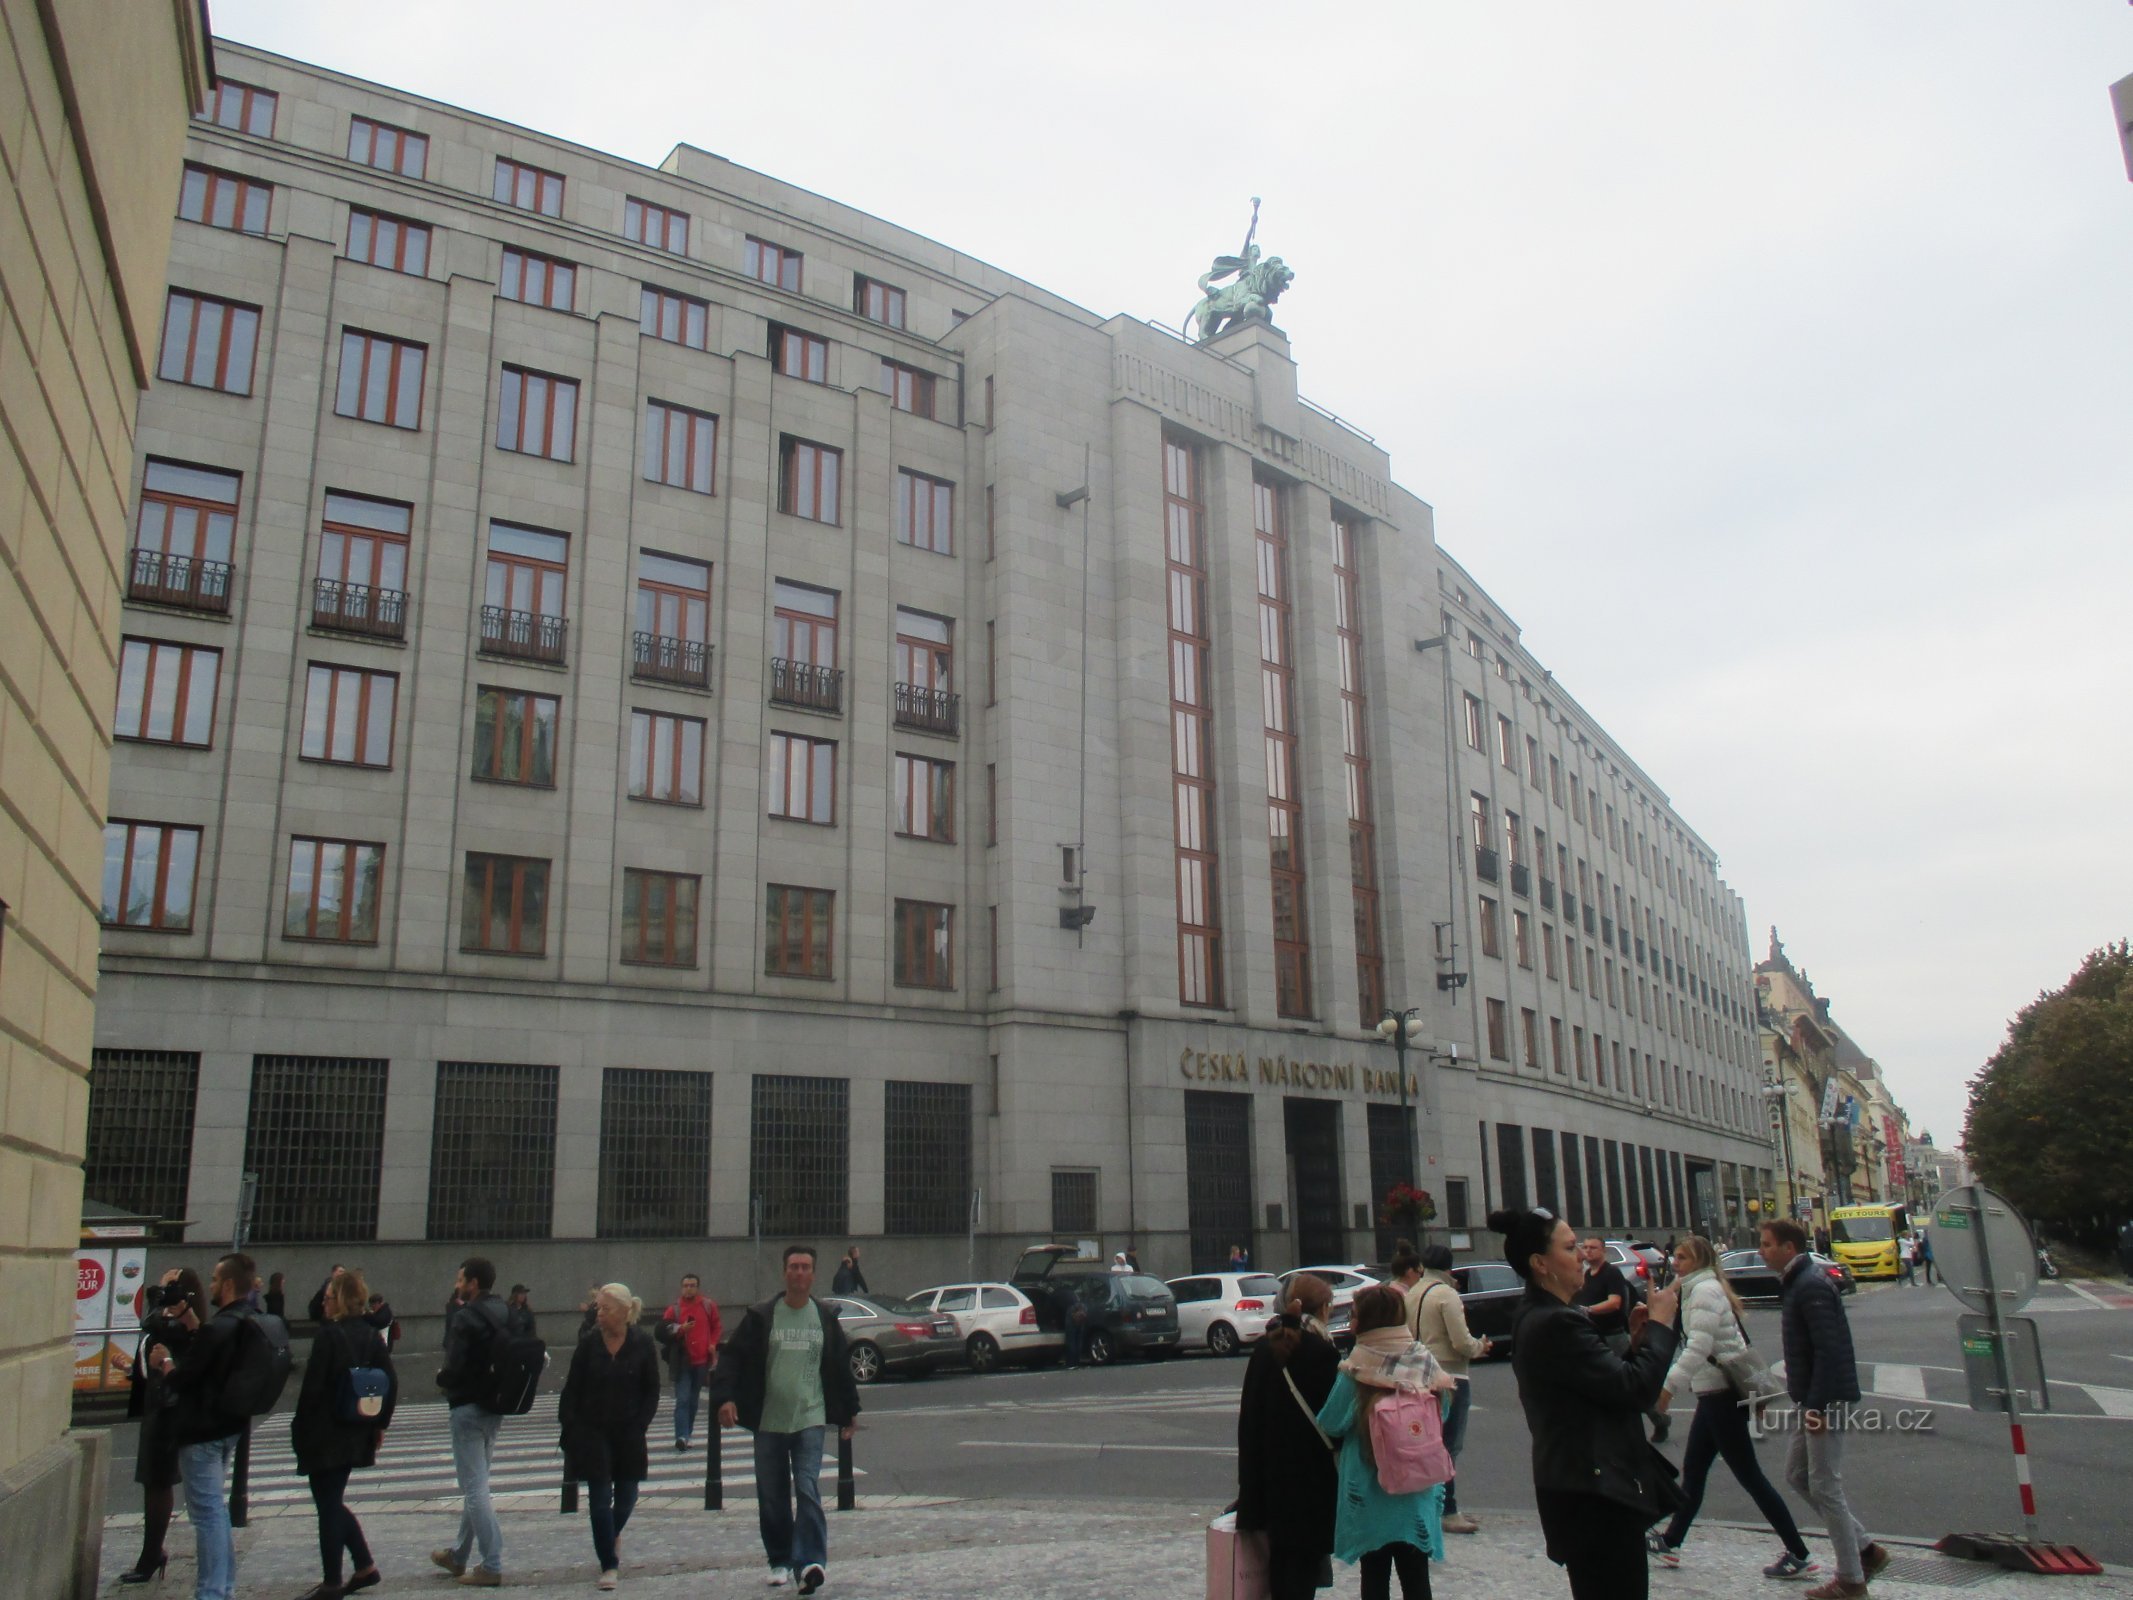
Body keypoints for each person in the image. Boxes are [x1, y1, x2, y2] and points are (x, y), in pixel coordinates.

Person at [1495, 1207, 1680, 1600]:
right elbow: (1636, 1391)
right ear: (1540, 1264)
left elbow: (1604, 1389)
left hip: (1583, 1490)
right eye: (1569, 1247)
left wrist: (1636, 1345)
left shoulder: (1545, 1315)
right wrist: (1663, 1328)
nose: (1581, 1254)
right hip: (1594, 1495)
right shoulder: (1555, 1322)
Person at [1644, 1236, 1815, 1579]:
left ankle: (1799, 1553)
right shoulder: (1697, 1288)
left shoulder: (1703, 1291)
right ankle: (1671, 1541)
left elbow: (1698, 1348)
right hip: (1715, 1394)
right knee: (1694, 1470)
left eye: (1682, 1257)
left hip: (1720, 1395)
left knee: (1749, 1476)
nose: (1675, 1263)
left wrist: (1668, 1388)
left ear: (1699, 1261)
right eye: (1674, 1256)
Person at [712, 1245, 862, 1596]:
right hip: (768, 1420)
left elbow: (840, 1365)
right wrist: (725, 1398)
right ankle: (780, 1558)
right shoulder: (763, 1316)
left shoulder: (824, 1316)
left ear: (813, 1274)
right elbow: (732, 1358)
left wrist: (849, 1410)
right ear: (784, 1272)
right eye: (793, 1266)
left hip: (810, 1416)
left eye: (805, 1267)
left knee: (807, 1486)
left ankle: (811, 1561)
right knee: (772, 1494)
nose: (798, 1273)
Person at [1763, 1218, 1890, 1600]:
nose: (1761, 1250)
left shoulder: (1810, 1285)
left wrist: (1816, 1405)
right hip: (1814, 1398)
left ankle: (1851, 1580)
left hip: (1825, 1399)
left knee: (1824, 1484)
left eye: (1768, 1244)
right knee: (1798, 1475)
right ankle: (1867, 1550)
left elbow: (1828, 1349)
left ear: (1789, 1248)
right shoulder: (1799, 1282)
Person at [1314, 1284, 1453, 1600]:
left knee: (1374, 1577)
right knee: (1417, 1579)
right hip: (1417, 1482)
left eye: (1353, 1315)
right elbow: (1441, 1413)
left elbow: (1331, 1422)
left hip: (1369, 1485)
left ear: (1366, 1321)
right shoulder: (1423, 1360)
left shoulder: (1358, 1366)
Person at [152, 1252, 261, 1600]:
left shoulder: (219, 1327)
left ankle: (213, 1591)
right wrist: (191, 1319)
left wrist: (165, 1364)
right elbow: (214, 1353)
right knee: (216, 1511)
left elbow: (187, 1377)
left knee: (208, 1515)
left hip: (202, 1430)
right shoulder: (247, 1319)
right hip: (228, 1426)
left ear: (227, 1285)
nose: (210, 1285)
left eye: (214, 1280)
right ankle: (223, 1587)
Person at [292, 1266, 397, 1600]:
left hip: (326, 1430)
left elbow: (312, 1390)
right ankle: (364, 1566)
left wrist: (300, 1432)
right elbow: (390, 1381)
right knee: (331, 1501)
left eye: (328, 1297)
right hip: (357, 1427)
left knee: (328, 1505)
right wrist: (380, 1423)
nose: (324, 1303)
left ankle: (333, 1580)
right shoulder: (369, 1335)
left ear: (340, 1299)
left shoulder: (329, 1335)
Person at [1235, 1272, 1340, 1600]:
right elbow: (1335, 1421)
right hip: (1310, 1482)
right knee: (1303, 1571)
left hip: (1270, 1479)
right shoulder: (1322, 1353)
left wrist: (1248, 1486)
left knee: (1279, 1569)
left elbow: (1249, 1420)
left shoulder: (1264, 1349)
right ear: (1321, 1308)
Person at [561, 1283, 662, 1591]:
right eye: (598, 1308)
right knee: (600, 1499)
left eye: (605, 1308)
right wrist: (572, 1427)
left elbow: (652, 1388)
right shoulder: (589, 1344)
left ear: (622, 1311)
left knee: (628, 1496)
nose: (599, 1314)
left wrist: (642, 1423)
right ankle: (609, 1564)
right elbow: (572, 1389)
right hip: (593, 1431)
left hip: (630, 1431)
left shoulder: (642, 1343)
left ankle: (609, 1534)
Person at [118, 1268, 206, 1585]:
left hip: (168, 1408)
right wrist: (132, 1369)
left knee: (158, 1480)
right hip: (155, 1403)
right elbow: (151, 1358)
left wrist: (159, 1300)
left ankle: (151, 1555)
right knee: (152, 1481)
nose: (163, 1289)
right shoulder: (172, 1320)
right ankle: (152, 1552)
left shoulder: (182, 1322)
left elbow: (152, 1325)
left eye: (169, 1284)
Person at [432, 1256, 511, 1586]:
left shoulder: (465, 1317)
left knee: (474, 1487)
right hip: (497, 1405)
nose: (457, 1283)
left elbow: (455, 1365)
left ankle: (492, 1564)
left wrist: (442, 1378)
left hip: (466, 1406)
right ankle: (458, 1555)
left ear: (473, 1283)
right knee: (477, 1481)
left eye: (461, 1278)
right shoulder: (506, 1311)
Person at [1408, 1244, 1491, 1534]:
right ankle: (1448, 1509)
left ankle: (1429, 1505)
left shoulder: (1412, 1292)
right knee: (1448, 1445)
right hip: (1450, 1375)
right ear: (1448, 1267)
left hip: (1419, 1373)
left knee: (1428, 1442)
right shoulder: (1446, 1294)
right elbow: (1461, 1342)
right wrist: (1481, 1346)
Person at [1575, 1236, 1667, 1443]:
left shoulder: (1611, 1273)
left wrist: (1587, 1310)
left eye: (1593, 1248)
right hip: (1592, 1336)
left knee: (1629, 1382)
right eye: (1586, 1247)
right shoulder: (1586, 1275)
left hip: (1613, 1336)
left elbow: (1615, 1303)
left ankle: (1658, 1418)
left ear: (1603, 1251)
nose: (1588, 1251)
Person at [659, 1273, 723, 1450]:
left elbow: (717, 1327)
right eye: (686, 1285)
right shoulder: (675, 1309)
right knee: (683, 1399)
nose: (689, 1289)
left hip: (701, 1360)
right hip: (682, 1360)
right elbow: (664, 1330)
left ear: (698, 1287)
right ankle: (681, 1435)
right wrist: (681, 1329)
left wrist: (712, 1344)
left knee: (693, 1400)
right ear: (681, 1288)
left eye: (692, 1285)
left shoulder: (708, 1306)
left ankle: (688, 1432)